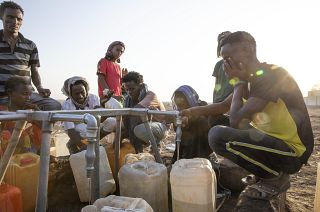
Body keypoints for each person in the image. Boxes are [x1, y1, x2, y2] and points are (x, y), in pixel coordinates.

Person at [182, 31, 314, 200]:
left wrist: (237, 83)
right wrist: (191, 112)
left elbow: (236, 120)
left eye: (229, 57)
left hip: (293, 151)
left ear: (249, 50)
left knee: (217, 135)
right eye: (223, 59)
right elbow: (223, 106)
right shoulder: (249, 79)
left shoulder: (271, 75)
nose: (225, 63)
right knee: (218, 124)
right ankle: (265, 174)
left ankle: (275, 178)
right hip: (274, 143)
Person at [0, 1, 61, 111]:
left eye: (19, 19)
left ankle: (26, 126)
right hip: (2, 94)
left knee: (54, 106)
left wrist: (39, 87)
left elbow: (35, 70)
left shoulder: (30, 45)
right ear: (2, 17)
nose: (15, 22)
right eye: (10, 17)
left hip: (25, 94)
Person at [122, 71, 167, 153]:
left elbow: (136, 111)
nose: (129, 92)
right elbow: (125, 119)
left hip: (160, 126)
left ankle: (156, 145)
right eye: (127, 90)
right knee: (117, 126)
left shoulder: (150, 95)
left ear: (140, 86)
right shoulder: (129, 99)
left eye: (132, 89)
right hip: (144, 124)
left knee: (138, 129)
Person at [0, 76, 41, 155]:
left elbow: (45, 127)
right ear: (10, 93)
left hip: (27, 155)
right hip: (6, 155)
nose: (28, 98)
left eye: (30, 95)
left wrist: (37, 110)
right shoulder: (2, 110)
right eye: (25, 94)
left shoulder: (29, 112)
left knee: (36, 127)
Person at [171, 85, 211, 163]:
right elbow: (177, 131)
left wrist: (190, 120)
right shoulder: (179, 112)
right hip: (188, 145)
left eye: (182, 101)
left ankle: (196, 159)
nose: (181, 106)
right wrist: (179, 123)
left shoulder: (202, 107)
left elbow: (205, 125)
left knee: (199, 122)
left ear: (189, 99)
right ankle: (177, 159)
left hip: (202, 146)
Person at [61, 76, 101, 154]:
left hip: (95, 128)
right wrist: (84, 147)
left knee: (111, 122)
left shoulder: (94, 98)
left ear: (86, 90)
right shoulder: (66, 105)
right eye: (76, 94)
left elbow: (99, 117)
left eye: (82, 92)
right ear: (70, 94)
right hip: (77, 132)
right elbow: (70, 129)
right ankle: (73, 144)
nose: (80, 96)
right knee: (82, 128)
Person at [209, 31, 233, 127]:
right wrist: (214, 103)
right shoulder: (218, 65)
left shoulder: (236, 63)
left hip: (230, 101)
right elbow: (216, 86)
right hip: (218, 102)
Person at [97, 41, 126, 107]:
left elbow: (118, 85)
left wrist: (123, 78)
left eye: (121, 51)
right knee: (118, 108)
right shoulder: (103, 61)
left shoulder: (118, 66)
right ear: (110, 49)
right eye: (117, 50)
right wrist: (111, 95)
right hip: (106, 97)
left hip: (118, 97)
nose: (119, 52)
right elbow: (100, 79)